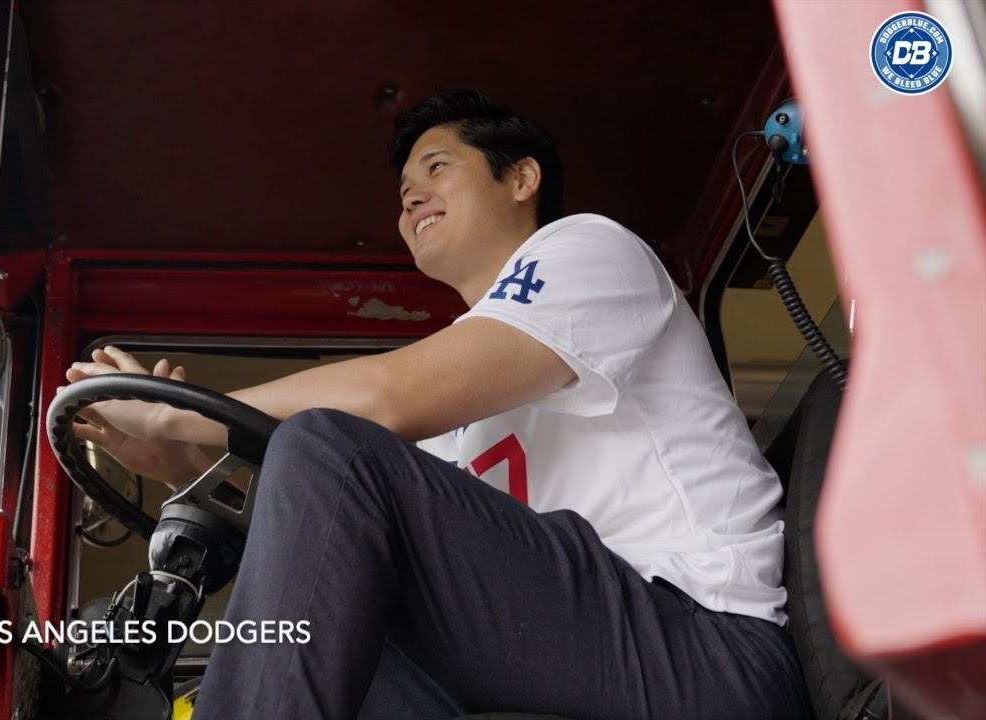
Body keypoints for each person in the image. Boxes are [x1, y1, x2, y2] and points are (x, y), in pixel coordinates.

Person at [65, 90, 810, 719]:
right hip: (577, 651)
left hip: (707, 647)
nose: (412, 197)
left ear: (522, 178)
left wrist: (175, 411)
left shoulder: (589, 250)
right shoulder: (449, 423)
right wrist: (186, 466)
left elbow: (380, 405)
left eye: (438, 168)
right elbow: (325, 553)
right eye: (402, 193)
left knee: (328, 447)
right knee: (348, 626)